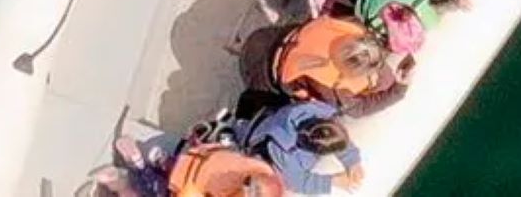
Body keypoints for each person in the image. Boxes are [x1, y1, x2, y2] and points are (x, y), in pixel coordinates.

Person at [269, 16, 409, 116]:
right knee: (329, 112)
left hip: (285, 37)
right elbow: (358, 109)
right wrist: (398, 90)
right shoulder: (335, 87)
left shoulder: (352, 28)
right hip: (270, 72)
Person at [234, 101, 364, 196]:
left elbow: (329, 136)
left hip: (267, 115)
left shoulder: (312, 113)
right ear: (317, 152)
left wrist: (352, 161)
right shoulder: (287, 152)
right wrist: (333, 181)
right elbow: (297, 182)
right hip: (254, 140)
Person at [165, 143, 284, 197]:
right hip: (190, 160)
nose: (246, 188)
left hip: (180, 175)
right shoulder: (260, 170)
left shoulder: (262, 170)